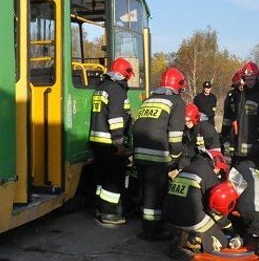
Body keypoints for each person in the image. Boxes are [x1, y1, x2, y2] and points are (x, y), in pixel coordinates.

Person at [133, 67, 187, 240]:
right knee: (156, 194)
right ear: (178, 85)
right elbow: (175, 135)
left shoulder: (150, 99)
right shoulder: (177, 102)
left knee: (146, 192)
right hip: (157, 154)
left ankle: (146, 226)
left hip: (139, 152)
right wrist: (176, 158)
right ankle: (153, 231)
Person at [88, 57, 134, 225]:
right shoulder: (116, 90)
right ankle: (110, 214)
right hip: (110, 143)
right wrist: (120, 144)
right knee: (113, 179)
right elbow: (115, 119)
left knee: (102, 177)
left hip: (97, 141)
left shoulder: (101, 87)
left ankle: (99, 209)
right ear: (123, 75)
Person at [164, 150, 233, 255]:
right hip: (191, 220)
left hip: (170, 218)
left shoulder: (186, 169)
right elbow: (214, 209)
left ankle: (180, 235)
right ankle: (188, 241)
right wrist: (228, 226)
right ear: (215, 164)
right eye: (220, 170)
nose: (219, 174)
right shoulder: (209, 174)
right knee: (221, 240)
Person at [229, 62, 259, 171]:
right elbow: (236, 117)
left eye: (252, 79)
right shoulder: (241, 94)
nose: (249, 82)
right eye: (247, 79)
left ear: (257, 78)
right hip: (240, 141)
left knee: (256, 173)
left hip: (256, 141)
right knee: (238, 173)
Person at [179, 103, 222, 169]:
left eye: (187, 121)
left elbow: (215, 150)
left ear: (194, 118)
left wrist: (216, 167)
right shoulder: (187, 129)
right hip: (193, 154)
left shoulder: (205, 129)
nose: (185, 123)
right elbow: (187, 145)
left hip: (207, 157)